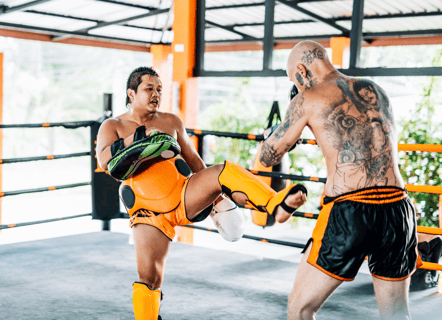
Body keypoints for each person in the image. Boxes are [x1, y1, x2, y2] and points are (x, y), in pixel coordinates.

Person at [96, 66, 307, 320]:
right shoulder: (113, 125)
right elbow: (105, 161)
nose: (156, 94)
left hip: (184, 194)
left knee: (223, 170)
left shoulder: (171, 121)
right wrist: (139, 138)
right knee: (149, 278)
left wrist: (216, 198)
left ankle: (274, 204)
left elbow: (195, 161)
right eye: (149, 89)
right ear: (131, 93)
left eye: (159, 89)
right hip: (148, 212)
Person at [260, 40, 421, 320]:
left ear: (302, 69)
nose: (297, 86)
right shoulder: (375, 89)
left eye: (294, 80)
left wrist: (273, 133)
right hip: (398, 209)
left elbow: (269, 156)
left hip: (351, 211)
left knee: (299, 309)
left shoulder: (307, 97)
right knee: (396, 314)